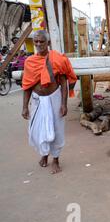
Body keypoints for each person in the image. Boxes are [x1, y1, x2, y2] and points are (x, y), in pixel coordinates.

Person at [21, 30, 77, 174]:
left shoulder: (57, 59)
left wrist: (64, 104)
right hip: (37, 100)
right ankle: (44, 155)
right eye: (36, 41)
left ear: (48, 43)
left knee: (57, 130)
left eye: (42, 41)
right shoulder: (29, 62)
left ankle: (56, 160)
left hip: (54, 97)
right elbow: (27, 86)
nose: (38, 44)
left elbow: (63, 83)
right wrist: (24, 107)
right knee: (37, 130)